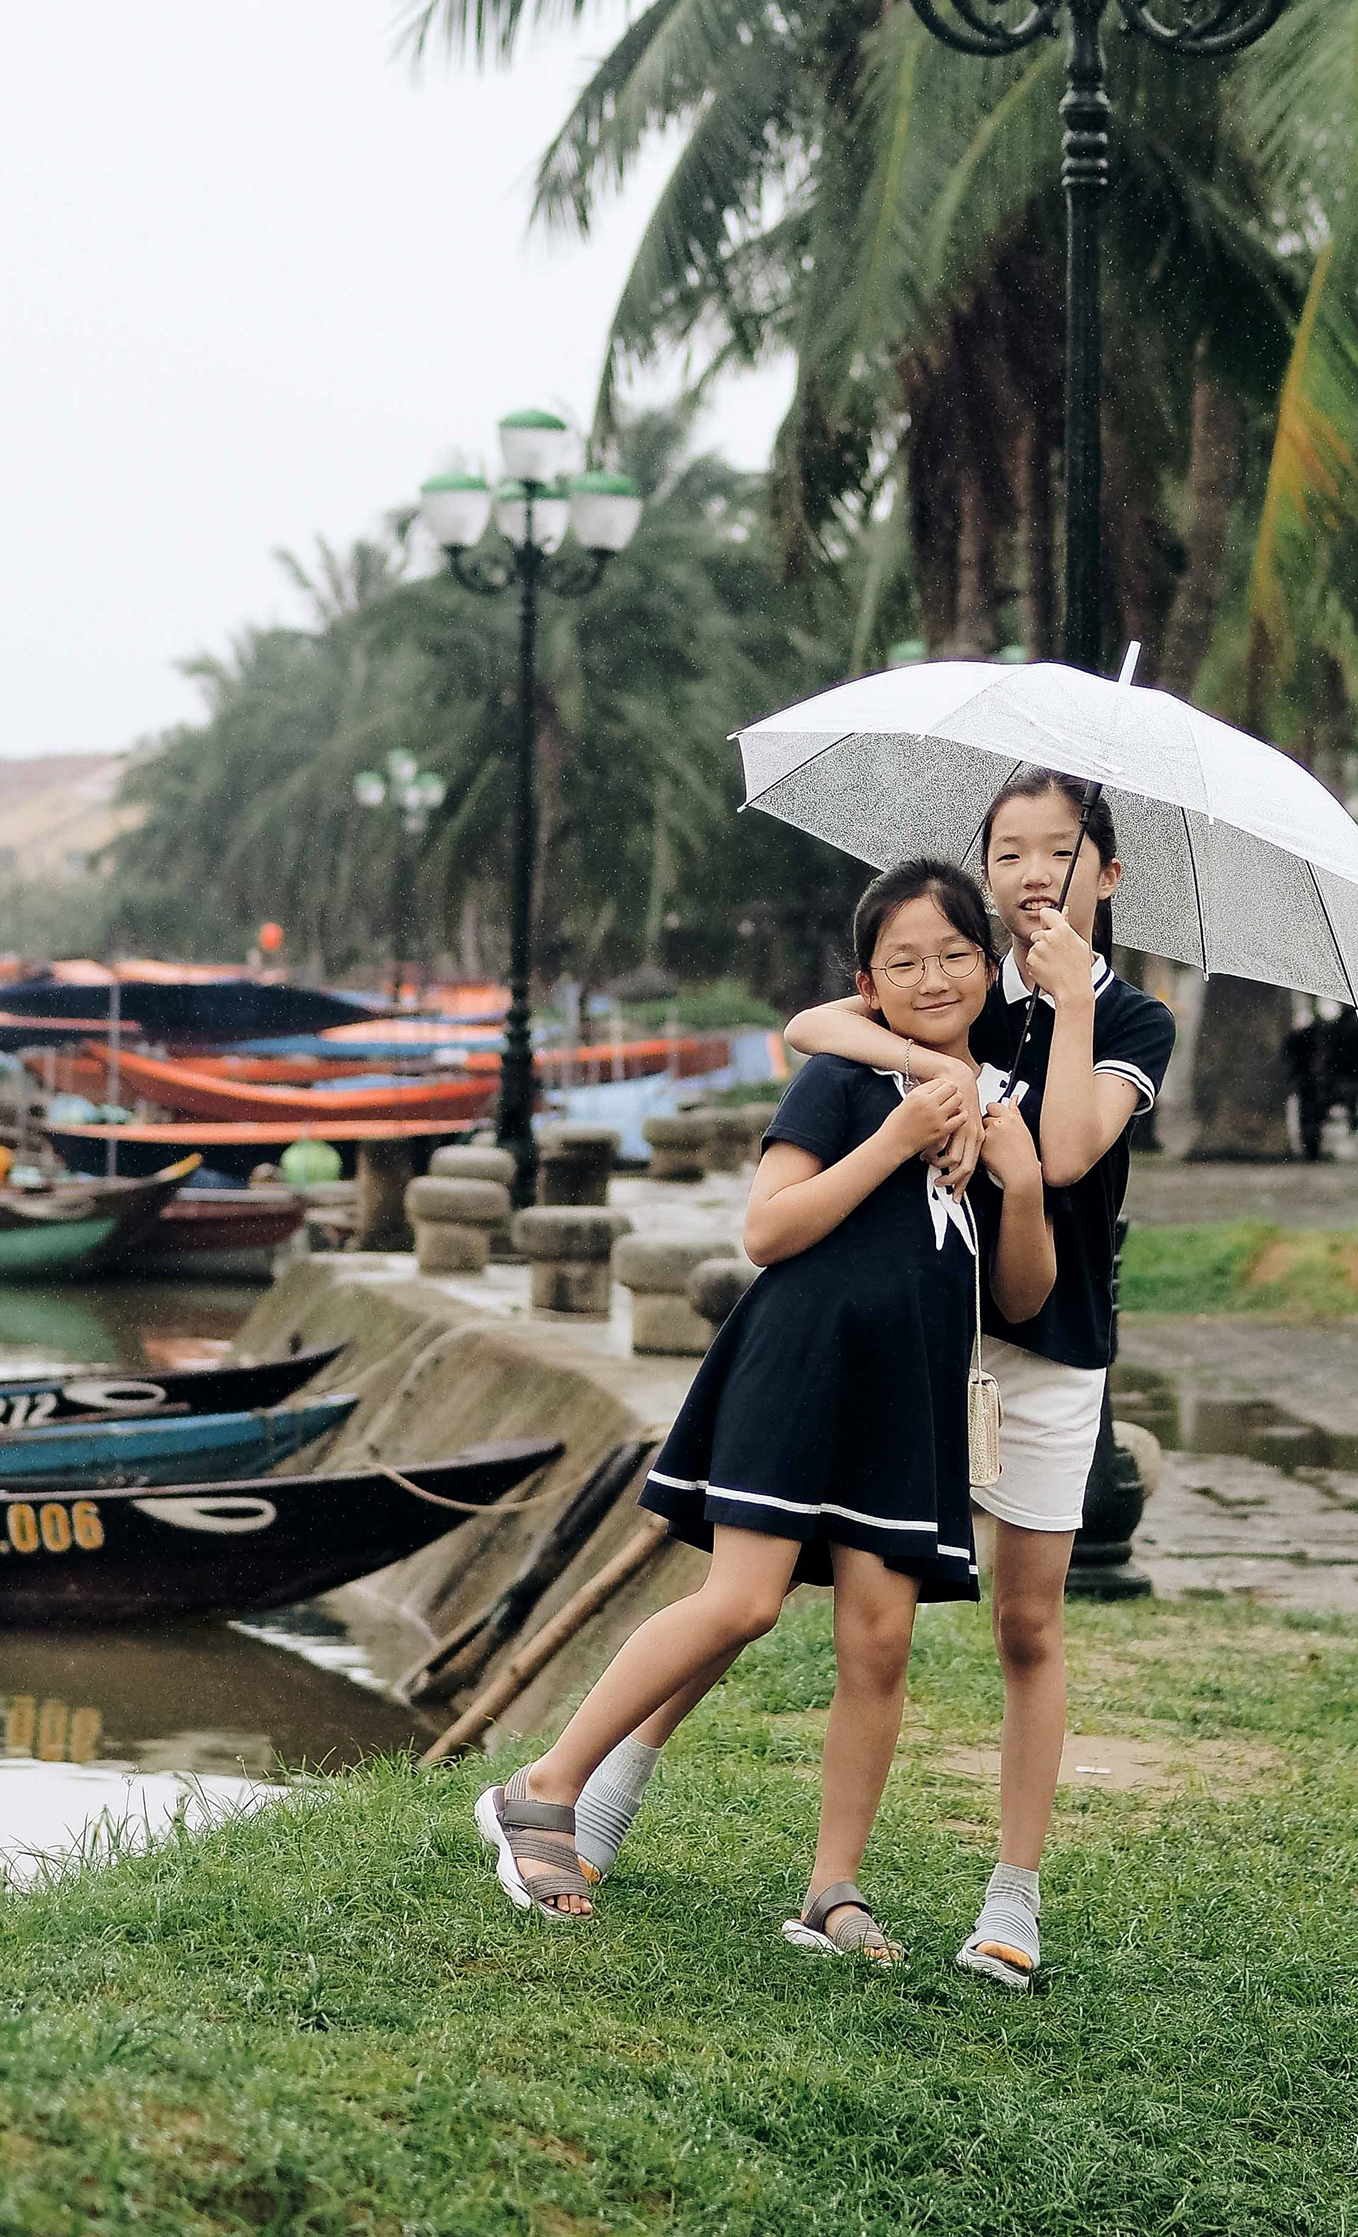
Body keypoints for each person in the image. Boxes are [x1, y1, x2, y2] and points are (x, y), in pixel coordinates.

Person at [475, 856, 1054, 1960]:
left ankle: (834, 1890)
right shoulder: (843, 1080)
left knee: (879, 1642)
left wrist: (1018, 1179)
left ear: (989, 966)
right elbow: (768, 1232)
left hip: (909, 1404)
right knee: (740, 1602)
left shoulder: (999, 1110)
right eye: (903, 962)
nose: (933, 978)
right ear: (867, 981)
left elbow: (1021, 1295)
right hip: (801, 1368)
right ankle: (541, 1789)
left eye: (954, 956)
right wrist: (893, 1141)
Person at [782, 767, 1174, 1992]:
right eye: (1008, 851)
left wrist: (1067, 1012)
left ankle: (1014, 1898)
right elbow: (815, 1029)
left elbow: (1060, 1154)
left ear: (1106, 875)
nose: (1032, 875)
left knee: (1026, 1621)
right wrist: (950, 1068)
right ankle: (827, 1877)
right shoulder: (961, 981)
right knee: (857, 1611)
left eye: (1060, 852)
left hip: (1053, 1349)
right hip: (929, 1332)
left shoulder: (1135, 1020)